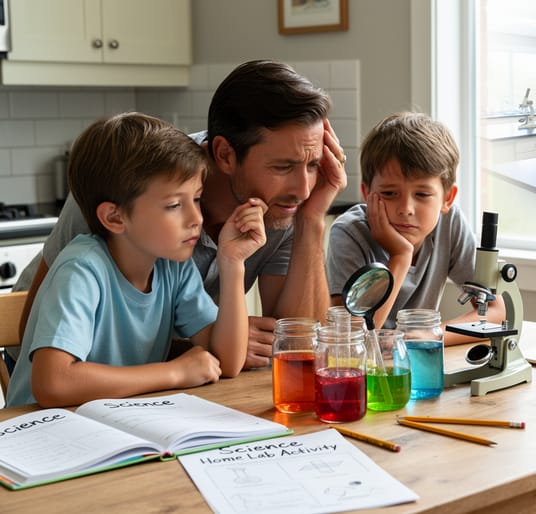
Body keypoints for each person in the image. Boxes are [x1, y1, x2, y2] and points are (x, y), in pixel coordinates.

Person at [9, 60, 346, 372]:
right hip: (54, 378)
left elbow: (299, 343)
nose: (303, 189)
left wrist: (311, 220)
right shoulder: (132, 183)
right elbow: (31, 332)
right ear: (225, 155)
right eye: (283, 167)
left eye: (314, 164)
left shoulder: (283, 205)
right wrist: (191, 354)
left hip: (158, 388)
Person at [6, 113, 267, 407]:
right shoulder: (82, 269)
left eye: (196, 199)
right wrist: (173, 373)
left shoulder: (173, 265)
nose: (196, 218)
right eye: (173, 205)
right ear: (115, 217)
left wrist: (231, 263)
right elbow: (53, 384)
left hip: (114, 424)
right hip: (41, 434)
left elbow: (227, 362)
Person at [326, 112, 505, 345]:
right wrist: (401, 255)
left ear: (447, 199)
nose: (406, 209)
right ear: (367, 193)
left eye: (422, 194)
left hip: (418, 361)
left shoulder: (450, 223)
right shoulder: (349, 233)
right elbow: (354, 338)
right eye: (390, 194)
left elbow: (495, 312)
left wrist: (429, 336)